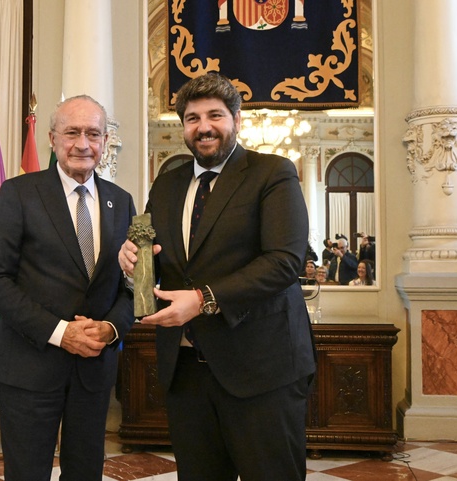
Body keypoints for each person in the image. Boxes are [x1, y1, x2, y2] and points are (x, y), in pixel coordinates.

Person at [118, 73, 316, 481]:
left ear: (237, 120)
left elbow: (284, 261)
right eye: (192, 118)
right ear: (183, 128)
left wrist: (204, 298)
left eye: (215, 115)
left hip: (262, 368)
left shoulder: (272, 173)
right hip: (186, 371)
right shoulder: (167, 184)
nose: (203, 127)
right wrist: (132, 261)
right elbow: (157, 261)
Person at [0, 95, 136, 481]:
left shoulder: (122, 201)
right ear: (52, 138)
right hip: (31, 366)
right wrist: (61, 332)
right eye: (72, 132)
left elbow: (131, 286)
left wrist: (112, 328)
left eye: (93, 134)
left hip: (93, 368)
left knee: (85, 473)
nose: (83, 143)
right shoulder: (19, 193)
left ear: (105, 141)